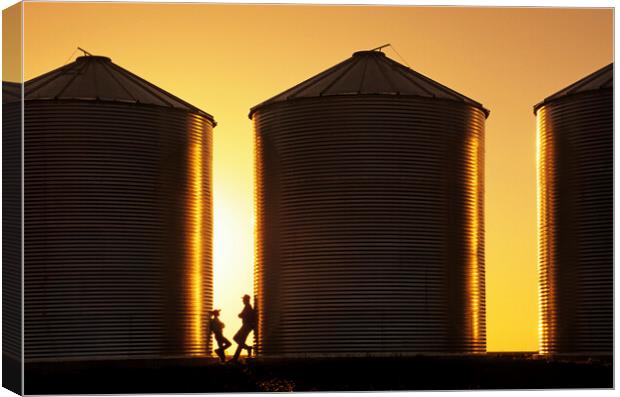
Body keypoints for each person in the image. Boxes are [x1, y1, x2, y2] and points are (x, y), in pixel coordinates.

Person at [230, 294, 257, 362]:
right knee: (240, 341)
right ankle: (246, 349)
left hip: (247, 326)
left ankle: (236, 357)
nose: (242, 301)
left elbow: (241, 315)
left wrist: (240, 315)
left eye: (243, 299)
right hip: (246, 326)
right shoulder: (247, 306)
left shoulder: (248, 307)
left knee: (236, 338)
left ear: (246, 300)